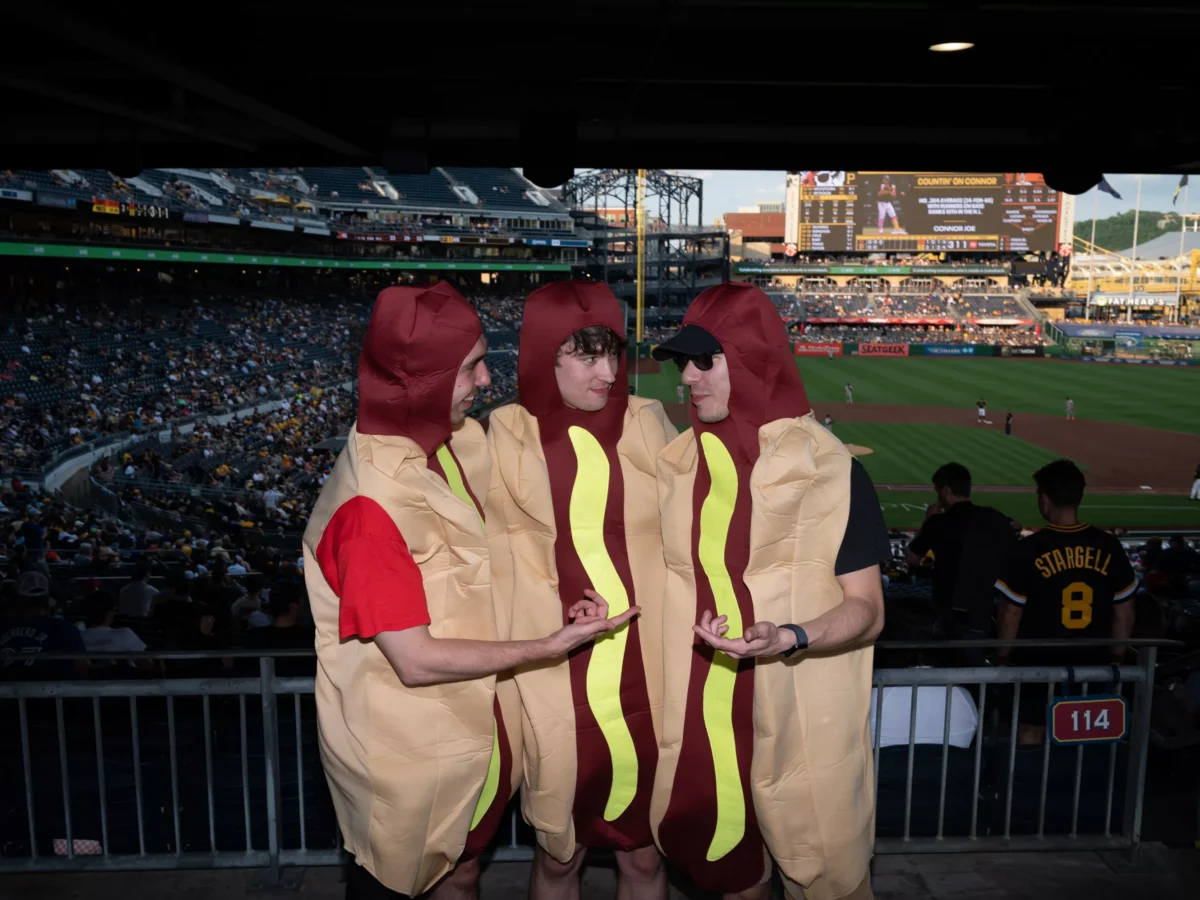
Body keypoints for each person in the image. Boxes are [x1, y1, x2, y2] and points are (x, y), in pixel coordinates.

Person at [303, 283, 636, 900]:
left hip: (474, 741)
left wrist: (558, 601)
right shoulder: (367, 508)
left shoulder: (454, 447)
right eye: (469, 368)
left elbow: (484, 572)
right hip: (409, 764)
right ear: (423, 379)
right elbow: (416, 659)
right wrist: (549, 642)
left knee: (461, 874)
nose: (487, 381)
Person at [649, 283, 888, 900]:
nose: (689, 378)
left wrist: (792, 636)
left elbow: (866, 611)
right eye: (685, 363)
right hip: (712, 719)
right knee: (734, 881)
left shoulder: (835, 471)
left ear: (752, 359)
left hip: (802, 713)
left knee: (830, 880)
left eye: (707, 361)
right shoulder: (680, 467)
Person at [486, 281, 676, 900]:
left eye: (613, 353)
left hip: (646, 676)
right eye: (586, 355)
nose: (608, 371)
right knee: (559, 860)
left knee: (645, 862)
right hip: (553, 679)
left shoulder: (648, 421)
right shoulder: (503, 435)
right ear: (545, 355)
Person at [993, 459, 1137, 745]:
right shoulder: (1108, 545)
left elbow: (1010, 612)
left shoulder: (1029, 548)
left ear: (1045, 500)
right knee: (1087, 737)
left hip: (1035, 664)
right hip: (1092, 663)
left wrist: (1002, 656)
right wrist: (1117, 657)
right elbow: (1125, 613)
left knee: (1030, 733)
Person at [904, 464, 1019, 662]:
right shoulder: (993, 517)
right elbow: (1016, 527)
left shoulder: (938, 522)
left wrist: (927, 522)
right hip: (982, 614)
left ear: (946, 491)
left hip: (944, 616)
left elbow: (912, 557)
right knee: (972, 676)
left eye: (938, 491)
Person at [0, 571, 88, 680]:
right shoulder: (65, 628)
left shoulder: (3, 626)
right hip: (53, 694)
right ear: (47, 599)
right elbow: (82, 667)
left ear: (17, 598)